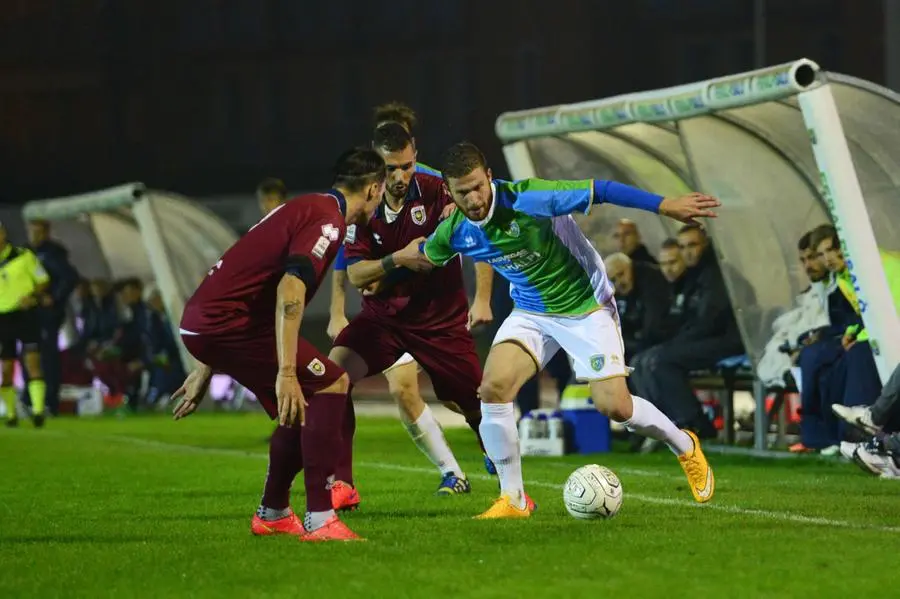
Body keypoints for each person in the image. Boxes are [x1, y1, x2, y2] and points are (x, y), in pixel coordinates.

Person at [404, 142, 719, 518]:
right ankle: (513, 499)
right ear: (450, 194)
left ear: (490, 177)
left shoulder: (531, 197)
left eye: (477, 187)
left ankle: (684, 444)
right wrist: (384, 268)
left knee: (614, 406)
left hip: (585, 306)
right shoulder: (454, 230)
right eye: (462, 192)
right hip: (532, 311)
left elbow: (600, 190)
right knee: (493, 389)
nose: (473, 198)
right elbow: (425, 257)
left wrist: (663, 204)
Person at [171, 147, 386, 542]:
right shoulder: (328, 222)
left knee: (303, 401)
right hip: (226, 325)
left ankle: (273, 512)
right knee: (331, 383)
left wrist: (206, 363)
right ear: (373, 189)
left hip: (210, 323)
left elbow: (244, 275)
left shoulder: (307, 206)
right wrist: (286, 372)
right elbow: (290, 286)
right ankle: (321, 519)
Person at [329, 124, 495, 507]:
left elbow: (480, 237)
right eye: (390, 169)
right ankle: (343, 484)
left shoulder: (439, 189)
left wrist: (482, 298)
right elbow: (356, 273)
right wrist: (397, 259)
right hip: (384, 321)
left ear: (415, 155)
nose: (400, 176)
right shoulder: (364, 204)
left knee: (472, 403)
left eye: (406, 166)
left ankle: (501, 468)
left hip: (441, 322)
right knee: (334, 379)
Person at [24, 219, 79, 416]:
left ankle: (50, 402)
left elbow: (70, 277)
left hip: (47, 315)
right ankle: (29, 400)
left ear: (47, 233)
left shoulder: (54, 253)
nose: (35, 236)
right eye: (32, 232)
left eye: (39, 232)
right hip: (29, 314)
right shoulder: (25, 253)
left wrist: (54, 298)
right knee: (30, 356)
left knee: (48, 358)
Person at [0, 220, 51, 427]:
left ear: (3, 234)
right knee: (6, 369)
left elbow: (43, 280)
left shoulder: (24, 256)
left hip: (25, 315)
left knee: (32, 362)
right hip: (2, 318)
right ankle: (11, 415)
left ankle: (38, 412)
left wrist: (32, 296)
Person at [604, 252, 673, 363]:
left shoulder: (651, 279)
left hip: (663, 341)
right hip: (638, 344)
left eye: (621, 274)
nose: (619, 282)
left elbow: (653, 326)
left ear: (631, 267)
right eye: (613, 280)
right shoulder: (615, 293)